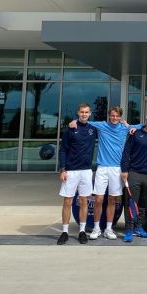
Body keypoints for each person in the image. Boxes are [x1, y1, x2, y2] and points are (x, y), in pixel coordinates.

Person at [69, 106, 135, 240]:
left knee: (112, 199)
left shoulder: (125, 128)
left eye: (117, 116)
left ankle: (109, 229)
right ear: (109, 116)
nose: (114, 118)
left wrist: (129, 125)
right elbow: (84, 120)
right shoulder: (101, 125)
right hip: (102, 168)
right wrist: (73, 121)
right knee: (98, 199)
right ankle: (97, 228)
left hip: (117, 169)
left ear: (120, 117)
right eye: (112, 115)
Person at [57, 103, 96, 245]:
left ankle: (82, 231)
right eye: (82, 112)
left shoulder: (93, 129)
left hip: (86, 171)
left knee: (84, 201)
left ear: (90, 113)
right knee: (68, 201)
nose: (84, 114)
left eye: (86, 112)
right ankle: (65, 232)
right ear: (78, 113)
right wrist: (62, 169)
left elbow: (112, 126)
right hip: (71, 171)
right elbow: (63, 150)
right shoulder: (71, 129)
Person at [120, 111, 147, 242]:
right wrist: (125, 170)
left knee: (143, 204)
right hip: (134, 173)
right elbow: (126, 152)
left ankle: (138, 227)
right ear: (146, 120)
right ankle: (128, 230)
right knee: (131, 203)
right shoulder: (135, 134)